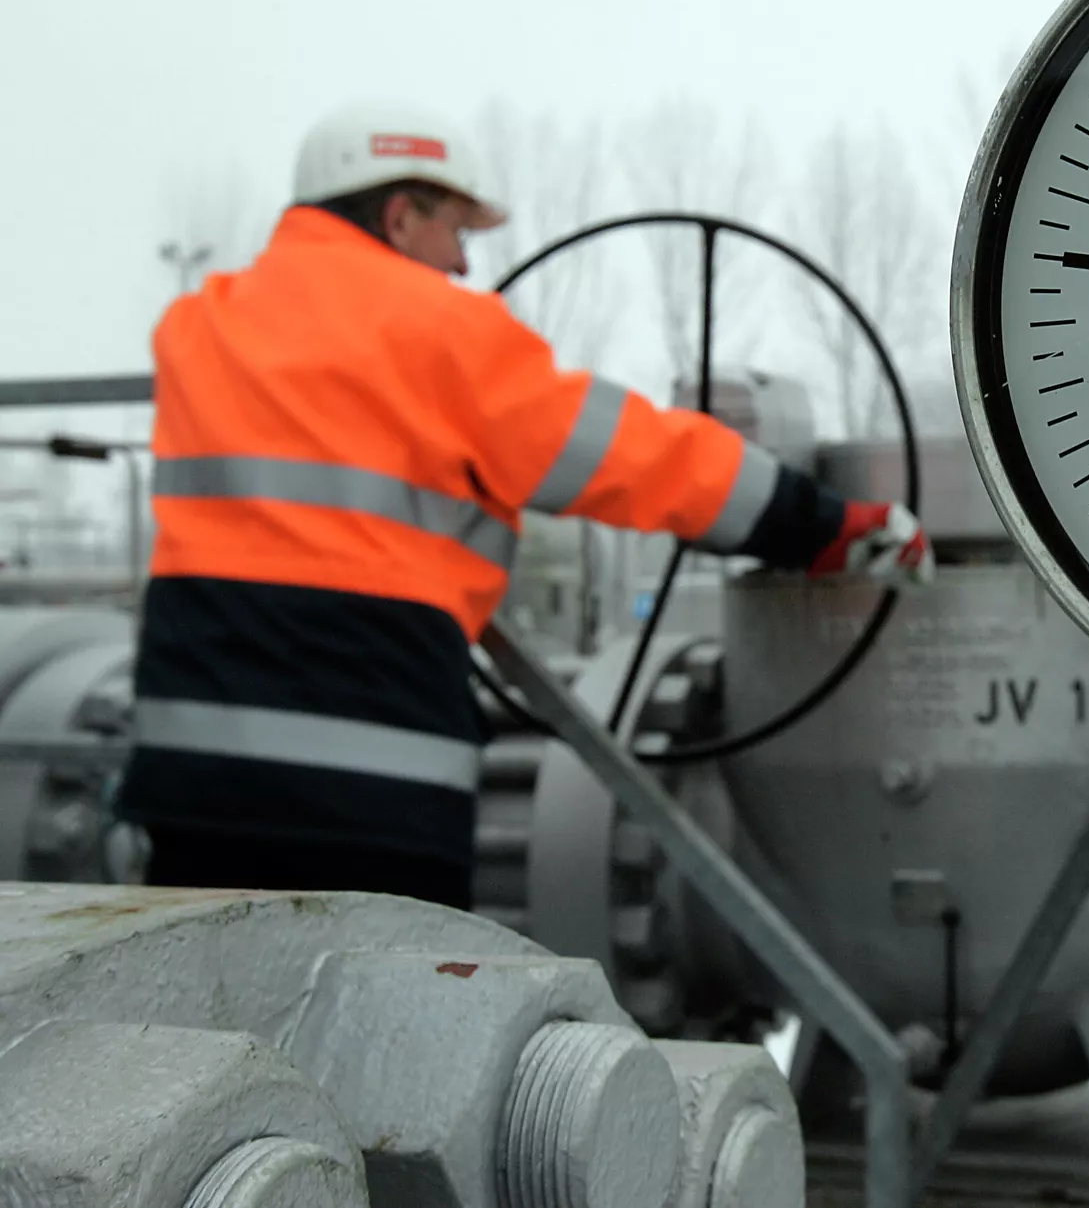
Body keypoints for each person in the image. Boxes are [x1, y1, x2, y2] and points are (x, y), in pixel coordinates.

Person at [118, 101, 931, 909]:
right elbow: (636, 460)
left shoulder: (198, 327)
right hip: (372, 787)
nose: (466, 266)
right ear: (402, 217)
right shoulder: (441, 330)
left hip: (189, 775)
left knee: (208, 1020)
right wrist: (821, 525)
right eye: (457, 234)